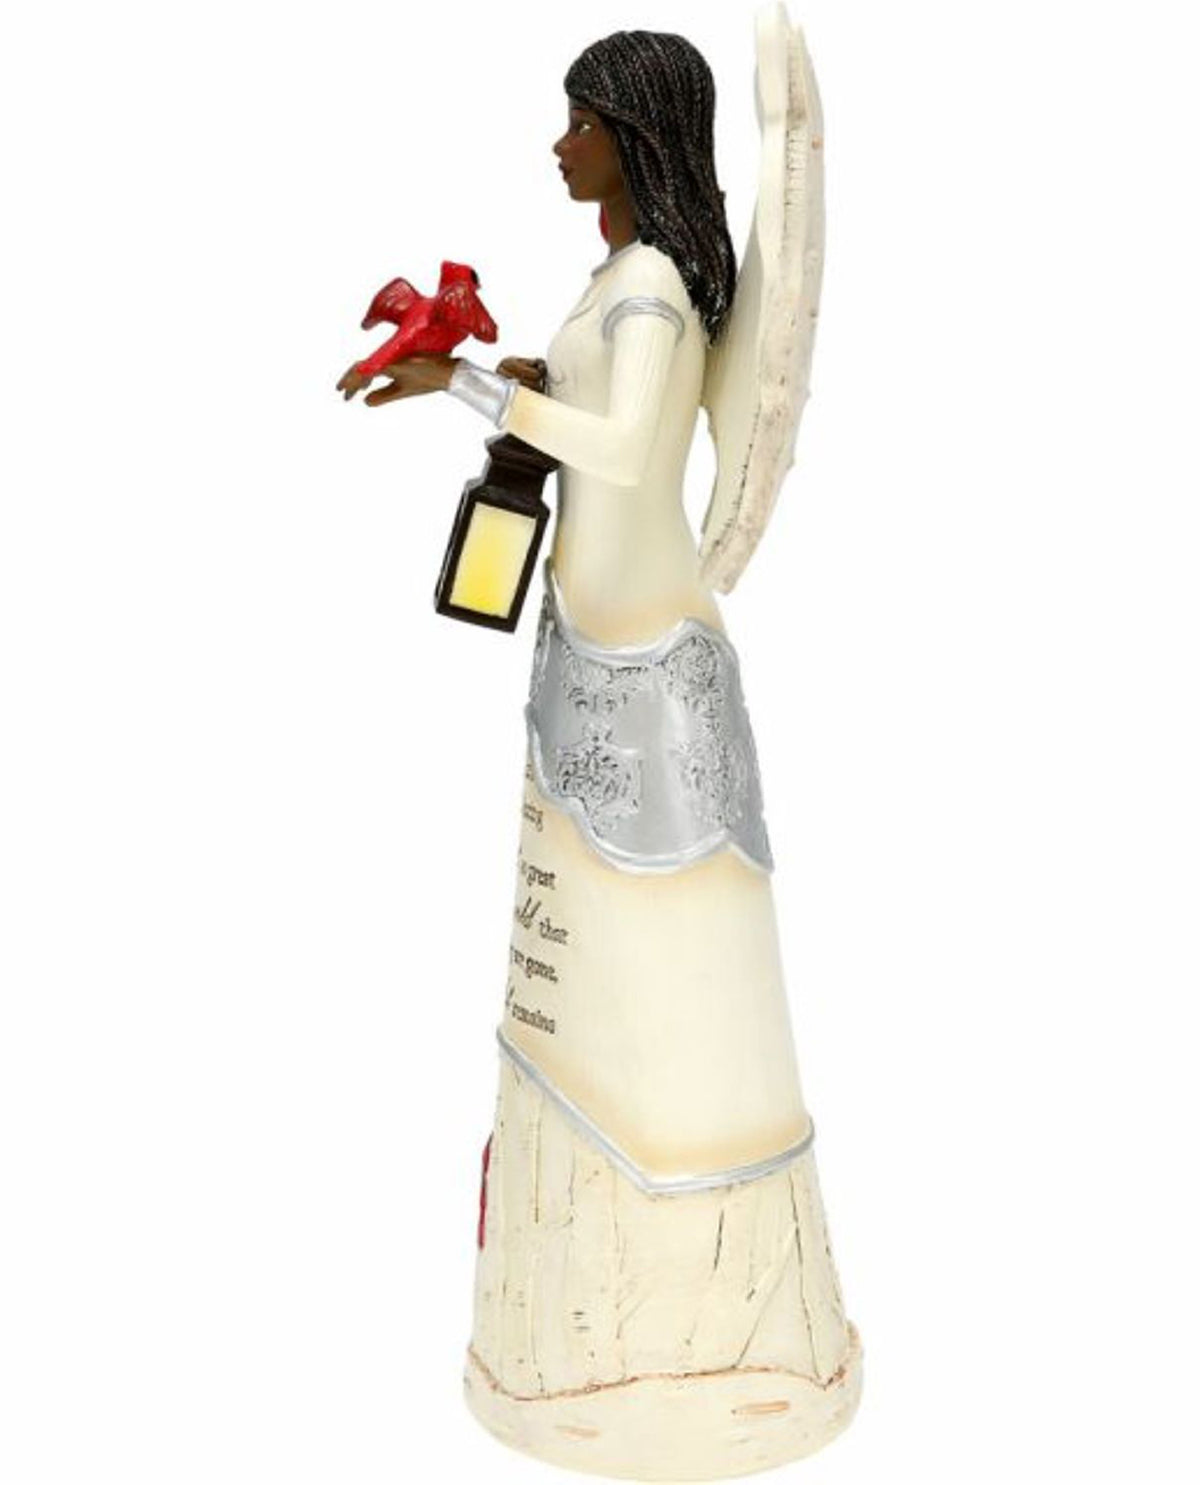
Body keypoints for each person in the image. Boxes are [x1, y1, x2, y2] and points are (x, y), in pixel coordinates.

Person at [341, 25, 860, 1478]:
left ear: (633, 134)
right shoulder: (620, 280)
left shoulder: (649, 289)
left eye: (577, 124)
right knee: (602, 960)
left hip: (644, 660)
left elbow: (628, 451)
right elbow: (603, 416)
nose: (558, 147)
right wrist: (506, 370)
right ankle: (586, 1312)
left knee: (672, 955)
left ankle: (703, 1307)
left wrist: (465, 387)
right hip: (590, 645)